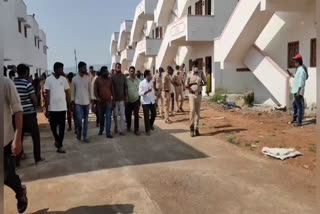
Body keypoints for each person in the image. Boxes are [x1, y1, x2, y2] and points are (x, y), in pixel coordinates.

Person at [4, 76, 28, 213]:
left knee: (7, 177)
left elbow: (18, 110)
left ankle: (20, 191)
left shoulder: (6, 83)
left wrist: (17, 138)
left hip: (5, 141)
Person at [14, 64, 44, 165]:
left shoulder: (12, 83)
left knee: (18, 138)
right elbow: (35, 101)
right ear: (26, 72)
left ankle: (17, 161)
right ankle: (37, 158)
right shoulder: (27, 83)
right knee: (35, 137)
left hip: (16, 115)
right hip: (29, 115)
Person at [44, 62, 70, 153]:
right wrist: (47, 109)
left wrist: (69, 106)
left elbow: (67, 93)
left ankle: (60, 145)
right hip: (53, 108)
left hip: (62, 108)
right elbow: (47, 95)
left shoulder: (64, 79)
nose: (62, 71)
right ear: (55, 69)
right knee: (53, 127)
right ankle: (56, 138)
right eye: (61, 69)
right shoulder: (48, 79)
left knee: (62, 127)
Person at [72, 61, 92, 143]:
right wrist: (72, 101)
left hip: (86, 102)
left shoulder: (88, 78)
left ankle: (85, 137)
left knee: (86, 121)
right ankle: (79, 131)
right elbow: (73, 91)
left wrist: (91, 100)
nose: (86, 69)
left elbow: (90, 90)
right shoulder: (74, 79)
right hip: (78, 103)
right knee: (79, 120)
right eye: (84, 67)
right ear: (80, 68)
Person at [186, 60, 207, 137]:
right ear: (192, 66)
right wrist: (191, 89)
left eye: (197, 66)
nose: (196, 67)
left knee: (198, 112)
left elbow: (205, 82)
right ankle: (191, 128)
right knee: (192, 111)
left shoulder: (201, 73)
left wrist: (201, 83)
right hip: (192, 95)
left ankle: (196, 128)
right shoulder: (189, 74)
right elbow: (186, 85)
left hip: (199, 95)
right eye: (194, 66)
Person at [94, 66, 114, 138]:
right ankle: (101, 129)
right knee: (101, 117)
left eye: (107, 71)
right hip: (100, 102)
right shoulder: (97, 80)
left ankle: (108, 132)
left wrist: (113, 100)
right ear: (102, 72)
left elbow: (112, 90)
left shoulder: (110, 80)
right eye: (105, 71)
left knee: (108, 117)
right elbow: (95, 90)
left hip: (108, 102)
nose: (107, 72)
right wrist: (97, 98)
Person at [290, 54, 308, 127]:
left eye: (295, 62)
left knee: (299, 107)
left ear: (298, 62)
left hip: (298, 92)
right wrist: (293, 76)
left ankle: (299, 122)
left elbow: (301, 82)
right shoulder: (299, 70)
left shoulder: (301, 70)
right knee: (294, 105)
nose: (294, 63)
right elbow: (298, 79)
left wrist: (298, 92)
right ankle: (295, 118)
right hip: (296, 91)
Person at [112, 63, 128, 136]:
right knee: (115, 115)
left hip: (122, 99)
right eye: (117, 67)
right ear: (115, 68)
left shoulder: (123, 77)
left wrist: (126, 97)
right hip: (115, 99)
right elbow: (111, 88)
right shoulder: (112, 77)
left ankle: (121, 130)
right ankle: (116, 126)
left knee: (122, 115)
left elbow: (125, 87)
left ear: (121, 67)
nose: (118, 68)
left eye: (119, 67)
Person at [139, 70, 157, 136]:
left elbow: (153, 92)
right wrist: (146, 91)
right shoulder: (142, 83)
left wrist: (155, 100)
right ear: (146, 76)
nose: (151, 76)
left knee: (154, 114)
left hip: (152, 101)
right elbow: (140, 93)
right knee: (146, 117)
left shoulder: (151, 83)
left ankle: (150, 124)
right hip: (145, 102)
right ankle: (147, 130)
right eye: (149, 75)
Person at [126, 66, 141, 136]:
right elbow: (124, 89)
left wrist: (139, 98)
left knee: (136, 115)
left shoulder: (138, 80)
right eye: (130, 71)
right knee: (128, 115)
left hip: (136, 100)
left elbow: (140, 90)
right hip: (128, 101)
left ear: (134, 72)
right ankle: (128, 126)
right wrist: (126, 98)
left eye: (133, 71)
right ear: (129, 72)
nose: (132, 72)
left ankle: (136, 130)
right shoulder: (126, 80)